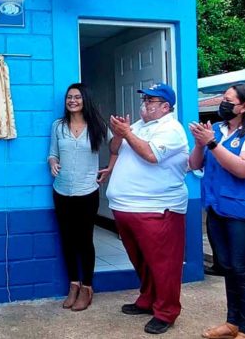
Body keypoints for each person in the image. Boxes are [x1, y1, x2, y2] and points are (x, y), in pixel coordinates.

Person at [188, 83, 245, 339]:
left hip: (243, 213)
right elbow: (194, 164)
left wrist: (212, 144)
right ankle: (232, 322)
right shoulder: (216, 130)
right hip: (217, 209)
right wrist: (200, 144)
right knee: (228, 268)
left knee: (244, 270)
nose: (222, 103)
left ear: (244, 106)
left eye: (228, 99)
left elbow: (243, 169)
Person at [105, 83, 189, 335]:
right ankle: (148, 299)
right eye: (145, 99)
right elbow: (113, 149)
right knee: (141, 260)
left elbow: (151, 155)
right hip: (126, 206)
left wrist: (127, 133)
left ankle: (166, 311)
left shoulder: (172, 129)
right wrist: (119, 133)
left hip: (157, 208)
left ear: (165, 106)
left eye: (151, 100)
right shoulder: (140, 126)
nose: (145, 104)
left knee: (164, 264)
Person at [47, 83, 115, 312]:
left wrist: (110, 168)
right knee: (67, 240)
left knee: (84, 241)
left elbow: (117, 147)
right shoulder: (58, 126)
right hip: (62, 191)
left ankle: (87, 287)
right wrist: (53, 162)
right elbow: (52, 153)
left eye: (77, 97)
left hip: (87, 191)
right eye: (69, 97)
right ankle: (73, 284)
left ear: (85, 99)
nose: (72, 100)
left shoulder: (97, 126)